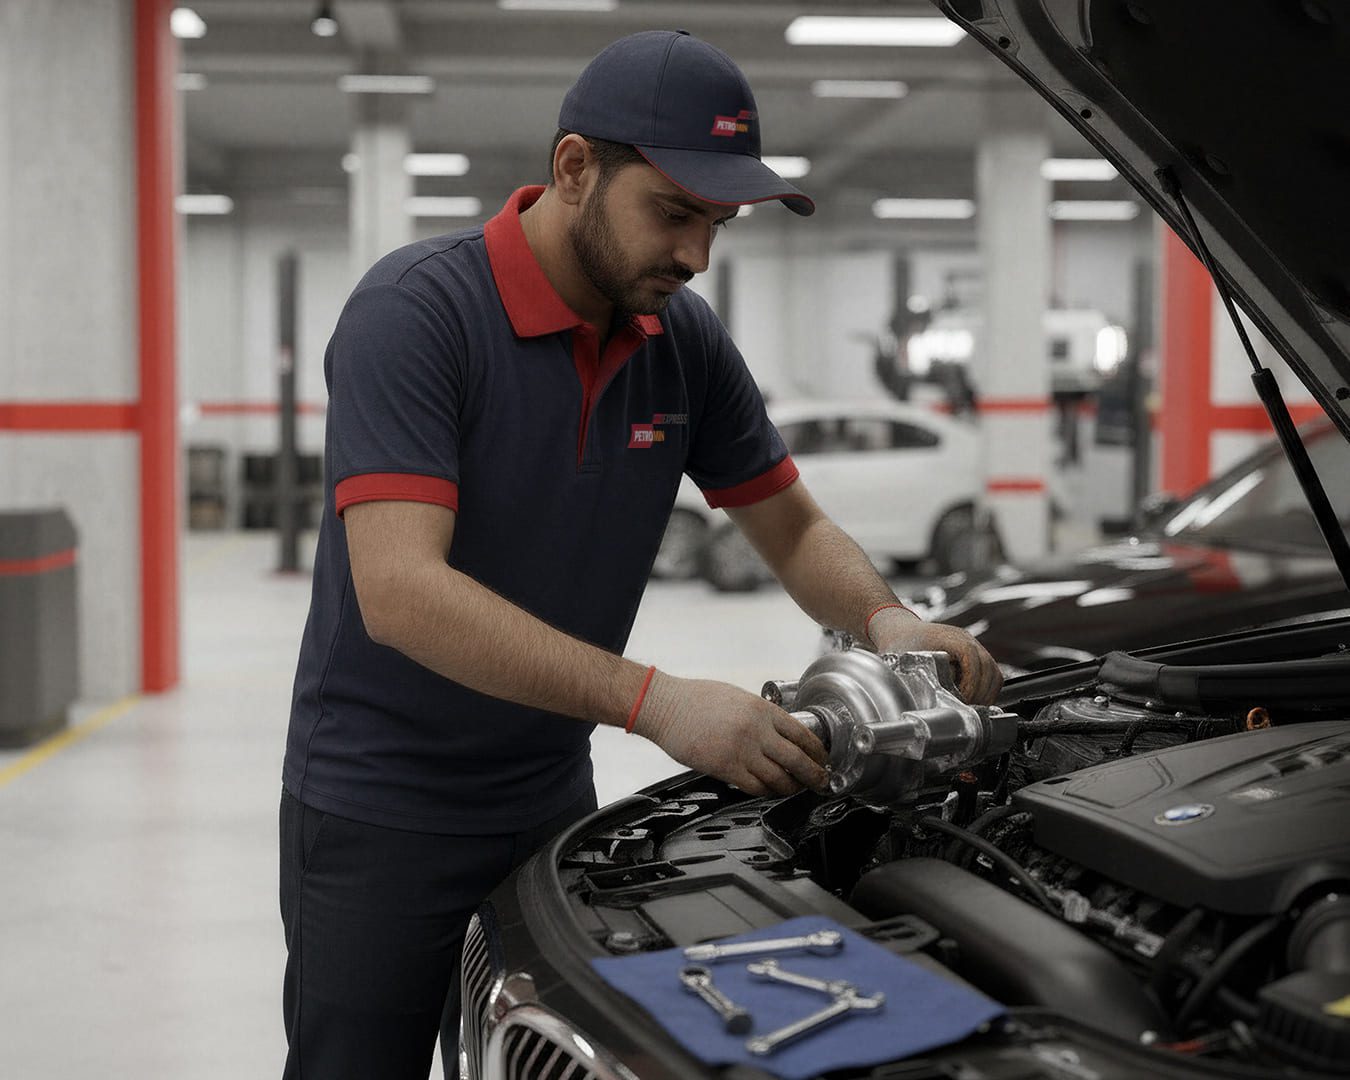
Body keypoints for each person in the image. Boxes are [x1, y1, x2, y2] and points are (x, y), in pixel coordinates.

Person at [278, 29, 1001, 1080]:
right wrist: (656, 702)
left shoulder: (683, 341)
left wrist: (887, 622)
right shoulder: (417, 313)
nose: (697, 255)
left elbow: (792, 526)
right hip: (382, 806)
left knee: (537, 1061)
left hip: (547, 800)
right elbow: (400, 591)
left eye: (718, 225)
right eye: (673, 213)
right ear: (575, 167)